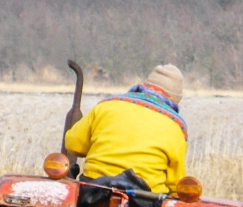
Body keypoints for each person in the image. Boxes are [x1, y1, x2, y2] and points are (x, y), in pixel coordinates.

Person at [63, 64, 187, 199]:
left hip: (93, 193)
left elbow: (72, 144)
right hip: (145, 202)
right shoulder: (176, 126)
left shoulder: (106, 105)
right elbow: (175, 183)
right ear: (175, 100)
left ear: (143, 86)